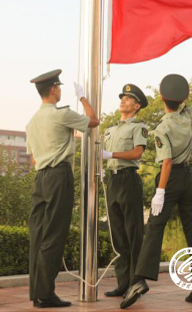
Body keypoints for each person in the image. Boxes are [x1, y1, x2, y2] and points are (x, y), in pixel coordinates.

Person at [121, 69, 192, 309]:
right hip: (188, 179)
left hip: (170, 179)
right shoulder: (189, 116)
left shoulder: (162, 128)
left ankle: (139, 280)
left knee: (154, 228)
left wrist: (160, 192)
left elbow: (167, 162)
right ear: (183, 99)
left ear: (162, 97)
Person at [26, 69, 99, 308]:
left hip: (40, 178)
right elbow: (93, 121)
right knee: (54, 235)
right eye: (59, 88)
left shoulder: (32, 122)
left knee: (38, 235)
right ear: (54, 90)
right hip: (58, 176)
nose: (60, 91)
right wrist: (83, 98)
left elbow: (33, 158)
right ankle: (46, 295)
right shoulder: (62, 114)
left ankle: (37, 293)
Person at [101, 84, 149, 298]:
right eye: (122, 97)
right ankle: (123, 283)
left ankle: (136, 282)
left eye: (128, 98)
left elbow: (137, 153)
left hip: (129, 179)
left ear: (137, 105)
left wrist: (111, 155)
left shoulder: (138, 127)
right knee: (118, 234)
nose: (123, 100)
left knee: (133, 232)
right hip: (112, 180)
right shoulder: (110, 130)